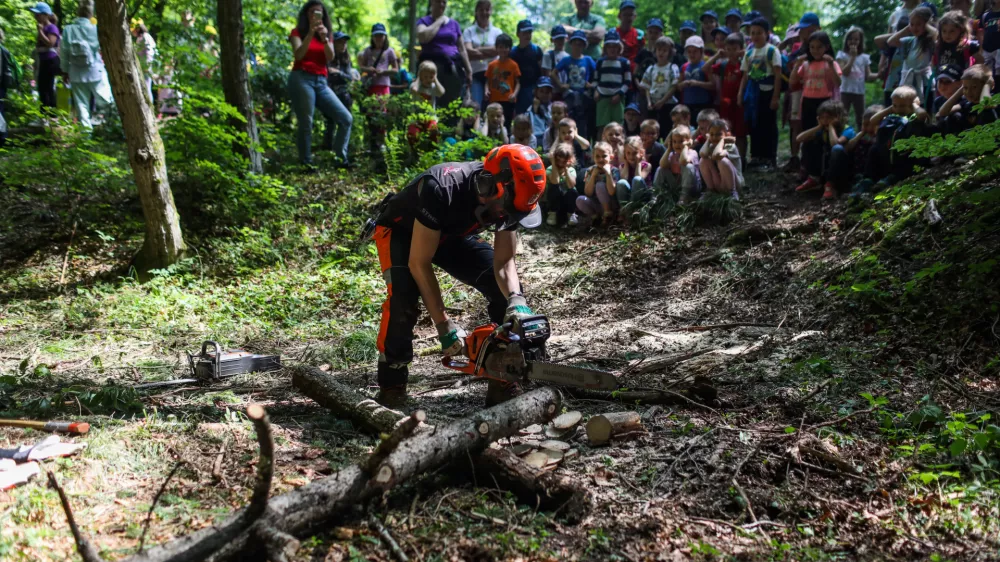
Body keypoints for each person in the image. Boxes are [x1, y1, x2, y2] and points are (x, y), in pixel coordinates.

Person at [371, 145, 547, 407]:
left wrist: (516, 300)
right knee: (403, 298)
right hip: (401, 232)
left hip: (451, 234)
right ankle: (392, 384)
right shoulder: (441, 188)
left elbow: (503, 262)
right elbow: (419, 263)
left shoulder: (511, 200)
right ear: (489, 187)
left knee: (504, 290)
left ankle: (503, 375)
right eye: (505, 210)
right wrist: (444, 326)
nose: (505, 216)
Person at [288, 1, 354, 168]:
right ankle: (306, 163)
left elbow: (330, 57)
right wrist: (310, 33)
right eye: (312, 12)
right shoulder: (297, 32)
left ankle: (340, 160)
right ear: (306, 14)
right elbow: (298, 55)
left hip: (321, 81)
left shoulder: (326, 34)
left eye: (319, 13)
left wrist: (324, 38)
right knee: (306, 121)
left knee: (346, 119)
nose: (316, 16)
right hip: (302, 78)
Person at [60, 1, 111, 131]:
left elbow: (64, 53)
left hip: (75, 73)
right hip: (95, 71)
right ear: (91, 13)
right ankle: (109, 127)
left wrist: (65, 71)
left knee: (81, 106)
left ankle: (86, 135)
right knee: (106, 99)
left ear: (78, 13)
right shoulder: (95, 29)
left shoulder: (68, 30)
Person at [417, 0, 473, 115]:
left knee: (452, 101)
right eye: (439, 1)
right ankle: (429, 124)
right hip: (431, 68)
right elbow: (423, 38)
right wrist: (440, 21)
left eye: (444, 2)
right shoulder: (424, 21)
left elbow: (462, 49)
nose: (442, 4)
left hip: (452, 67)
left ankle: (450, 125)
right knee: (429, 100)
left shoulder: (454, 24)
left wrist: (468, 70)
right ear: (432, 2)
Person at [795, 100, 854, 199]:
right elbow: (799, 138)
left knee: (837, 149)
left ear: (838, 117)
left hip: (841, 170)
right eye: (822, 118)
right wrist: (818, 127)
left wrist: (831, 127)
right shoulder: (822, 130)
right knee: (808, 142)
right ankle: (814, 178)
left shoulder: (848, 130)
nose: (825, 120)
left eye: (829, 117)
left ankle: (831, 185)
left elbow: (835, 144)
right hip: (824, 166)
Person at [790, 31, 841, 138]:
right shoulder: (806, 64)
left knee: (825, 129)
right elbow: (792, 81)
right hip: (807, 101)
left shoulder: (831, 63)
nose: (815, 50)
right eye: (812, 47)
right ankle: (808, 148)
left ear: (826, 47)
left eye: (819, 47)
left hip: (825, 102)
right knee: (808, 128)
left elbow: (837, 83)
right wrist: (797, 65)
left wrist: (831, 65)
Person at [706, 33, 747, 163]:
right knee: (727, 131)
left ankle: (741, 159)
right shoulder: (723, 65)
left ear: (740, 49)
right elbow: (705, 68)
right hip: (725, 104)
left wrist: (745, 54)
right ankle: (728, 158)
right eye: (728, 49)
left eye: (735, 49)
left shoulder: (744, 64)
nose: (731, 52)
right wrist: (717, 55)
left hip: (739, 103)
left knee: (740, 133)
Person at [888, 6, 936, 107]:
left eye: (918, 24)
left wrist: (928, 25)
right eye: (912, 24)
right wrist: (907, 28)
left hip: (925, 83)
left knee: (925, 108)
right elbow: (891, 41)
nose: (915, 27)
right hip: (908, 83)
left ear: (926, 24)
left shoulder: (930, 41)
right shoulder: (910, 41)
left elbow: (937, 35)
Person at [553, 30, 596, 140]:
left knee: (583, 123)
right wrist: (561, 85)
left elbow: (598, 73)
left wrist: (592, 84)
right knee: (568, 121)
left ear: (584, 46)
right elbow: (553, 73)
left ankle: (583, 146)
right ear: (571, 44)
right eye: (575, 43)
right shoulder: (566, 60)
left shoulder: (588, 60)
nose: (577, 46)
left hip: (584, 95)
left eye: (580, 44)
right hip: (570, 95)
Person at [463, 0, 504, 109]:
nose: (484, 12)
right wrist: (490, 52)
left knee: (494, 108)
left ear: (491, 12)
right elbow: (467, 51)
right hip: (475, 74)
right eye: (481, 10)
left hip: (494, 75)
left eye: (487, 10)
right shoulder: (469, 31)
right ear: (476, 12)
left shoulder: (497, 32)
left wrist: (477, 49)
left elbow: (499, 50)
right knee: (476, 107)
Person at [936, 63, 997, 132]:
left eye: (974, 87)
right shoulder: (967, 103)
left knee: (986, 112)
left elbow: (986, 105)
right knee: (953, 116)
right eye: (966, 88)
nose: (969, 92)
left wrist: (987, 85)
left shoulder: (993, 99)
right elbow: (943, 112)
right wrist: (962, 89)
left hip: (988, 135)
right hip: (971, 136)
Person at [594, 30, 632, 137]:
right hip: (602, 96)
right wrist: (596, 91)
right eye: (609, 46)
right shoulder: (600, 62)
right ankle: (601, 145)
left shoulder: (624, 62)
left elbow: (628, 81)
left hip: (618, 98)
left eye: (614, 46)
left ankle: (620, 146)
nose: (612, 49)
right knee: (602, 127)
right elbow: (596, 79)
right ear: (605, 48)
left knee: (618, 127)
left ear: (619, 47)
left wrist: (619, 94)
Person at [640, 36, 679, 138]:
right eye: (659, 50)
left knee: (666, 131)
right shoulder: (651, 68)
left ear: (670, 52)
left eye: (665, 50)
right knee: (652, 131)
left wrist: (662, 101)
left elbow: (674, 86)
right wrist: (649, 102)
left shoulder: (672, 68)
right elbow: (647, 87)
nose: (661, 53)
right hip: (653, 105)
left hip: (667, 104)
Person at [837, 27, 875, 130]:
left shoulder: (864, 57)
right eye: (850, 39)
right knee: (842, 115)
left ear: (860, 41)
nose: (853, 41)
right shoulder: (841, 55)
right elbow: (844, 72)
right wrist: (852, 57)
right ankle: (842, 134)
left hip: (859, 91)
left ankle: (861, 136)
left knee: (861, 117)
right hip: (845, 90)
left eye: (856, 39)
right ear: (846, 40)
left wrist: (880, 74)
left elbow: (868, 75)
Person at [325, 31, 356, 152]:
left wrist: (338, 72)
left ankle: (342, 149)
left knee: (345, 121)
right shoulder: (328, 57)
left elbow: (349, 78)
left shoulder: (346, 60)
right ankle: (328, 149)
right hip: (329, 94)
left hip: (344, 94)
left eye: (345, 42)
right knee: (330, 122)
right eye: (340, 42)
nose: (343, 45)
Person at [576, 141, 620, 224]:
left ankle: (608, 215)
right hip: (597, 204)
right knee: (580, 200)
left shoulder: (614, 170)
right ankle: (596, 217)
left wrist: (608, 174)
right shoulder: (590, 171)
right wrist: (593, 176)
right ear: (593, 157)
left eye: (604, 156)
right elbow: (588, 193)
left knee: (600, 185)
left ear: (611, 157)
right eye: (597, 156)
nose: (600, 159)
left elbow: (612, 192)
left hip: (611, 204)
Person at [653, 126, 700, 204]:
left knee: (688, 166)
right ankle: (656, 195)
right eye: (674, 142)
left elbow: (683, 161)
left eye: (681, 141)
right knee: (660, 169)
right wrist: (668, 149)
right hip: (677, 185)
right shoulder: (672, 154)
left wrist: (685, 147)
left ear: (688, 141)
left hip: (692, 187)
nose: (677, 144)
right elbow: (662, 164)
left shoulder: (692, 153)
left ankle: (684, 197)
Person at [699, 118, 743, 200]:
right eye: (712, 134)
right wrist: (708, 140)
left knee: (723, 161)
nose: (714, 137)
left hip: (735, 183)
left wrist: (722, 140)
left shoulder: (730, 146)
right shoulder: (711, 145)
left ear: (727, 134)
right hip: (720, 183)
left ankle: (732, 192)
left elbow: (717, 155)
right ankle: (711, 190)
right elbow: (702, 154)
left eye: (718, 134)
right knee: (703, 160)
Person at [29, 2, 60, 109]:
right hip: (43, 60)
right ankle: (44, 112)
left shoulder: (52, 28)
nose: (36, 17)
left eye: (38, 15)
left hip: (50, 61)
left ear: (46, 15)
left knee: (48, 87)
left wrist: (40, 31)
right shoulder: (43, 27)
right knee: (42, 87)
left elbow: (50, 43)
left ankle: (52, 113)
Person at [485, 33, 520, 125]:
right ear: (496, 48)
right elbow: (487, 81)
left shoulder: (514, 65)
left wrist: (514, 94)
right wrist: (486, 91)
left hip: (508, 99)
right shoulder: (492, 65)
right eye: (500, 47)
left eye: (506, 47)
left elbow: (518, 82)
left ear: (510, 48)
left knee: (507, 122)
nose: (503, 50)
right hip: (494, 99)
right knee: (493, 122)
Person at [678, 37, 714, 123]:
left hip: (703, 104)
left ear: (701, 51)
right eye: (689, 52)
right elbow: (678, 86)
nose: (692, 54)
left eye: (695, 51)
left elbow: (712, 85)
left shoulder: (705, 66)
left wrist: (697, 83)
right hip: (687, 104)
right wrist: (683, 84)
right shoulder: (684, 67)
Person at [511, 20, 543, 115]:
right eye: (524, 32)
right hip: (517, 90)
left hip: (533, 89)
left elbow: (542, 72)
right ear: (518, 34)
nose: (528, 35)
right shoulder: (512, 53)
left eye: (529, 32)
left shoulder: (536, 50)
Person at [358, 23, 399, 97]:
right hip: (370, 85)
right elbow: (362, 67)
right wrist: (368, 69)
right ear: (372, 37)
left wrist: (383, 72)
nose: (378, 38)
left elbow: (395, 69)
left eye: (381, 35)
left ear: (385, 37)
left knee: (383, 103)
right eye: (376, 35)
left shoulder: (389, 51)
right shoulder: (368, 50)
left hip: (383, 85)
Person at [544, 142, 580, 226]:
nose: (561, 161)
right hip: (555, 201)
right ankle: (552, 213)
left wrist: (566, 169)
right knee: (553, 187)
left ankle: (571, 214)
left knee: (572, 191)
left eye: (564, 159)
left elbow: (571, 185)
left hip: (567, 202)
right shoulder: (550, 169)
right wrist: (553, 163)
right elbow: (555, 182)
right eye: (559, 157)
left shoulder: (571, 170)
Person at [934, 10, 981, 75]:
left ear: (961, 30)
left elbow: (980, 61)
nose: (947, 34)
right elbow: (934, 64)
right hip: (942, 79)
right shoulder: (938, 46)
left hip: (960, 79)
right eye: (944, 31)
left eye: (952, 31)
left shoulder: (967, 45)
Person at [615, 135, 652, 210]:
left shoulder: (646, 166)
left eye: (634, 153)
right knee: (621, 182)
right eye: (628, 153)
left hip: (643, 196)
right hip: (629, 196)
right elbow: (624, 178)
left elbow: (639, 180)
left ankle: (633, 208)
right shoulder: (622, 166)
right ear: (624, 153)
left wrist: (638, 163)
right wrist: (625, 161)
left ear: (641, 152)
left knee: (637, 179)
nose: (631, 156)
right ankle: (625, 209)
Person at [615, 0, 644, 71]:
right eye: (625, 15)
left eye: (630, 15)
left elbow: (642, 57)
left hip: (632, 72)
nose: (628, 18)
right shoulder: (613, 33)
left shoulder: (639, 35)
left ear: (635, 16)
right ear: (619, 16)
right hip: (615, 71)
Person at [530, 76, 554, 146]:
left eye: (547, 92)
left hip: (550, 137)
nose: (544, 95)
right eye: (541, 91)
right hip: (536, 138)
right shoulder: (530, 109)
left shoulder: (554, 108)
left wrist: (543, 112)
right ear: (536, 92)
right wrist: (535, 110)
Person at [978, 0, 1000, 75]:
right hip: (987, 48)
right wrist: (981, 48)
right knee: (986, 72)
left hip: (998, 48)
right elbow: (981, 31)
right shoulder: (986, 15)